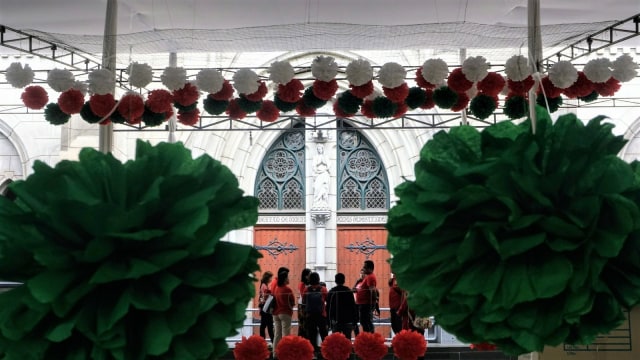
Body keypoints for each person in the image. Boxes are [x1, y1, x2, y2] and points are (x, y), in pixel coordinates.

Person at [302, 272, 329, 355]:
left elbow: (303, 301)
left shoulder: (306, 289)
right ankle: (325, 352)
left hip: (310, 315)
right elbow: (327, 300)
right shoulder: (323, 289)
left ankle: (313, 352)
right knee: (323, 334)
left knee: (312, 335)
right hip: (321, 315)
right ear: (318, 279)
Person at [327, 272, 357, 339]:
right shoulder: (348, 291)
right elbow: (353, 306)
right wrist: (354, 321)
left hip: (335, 321)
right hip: (347, 321)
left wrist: (328, 322)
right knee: (347, 341)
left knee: (336, 342)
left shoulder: (332, 292)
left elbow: (328, 307)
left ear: (335, 281)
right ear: (344, 280)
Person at [273, 269, 295, 352]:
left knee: (277, 334)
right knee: (286, 334)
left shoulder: (276, 288)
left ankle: (275, 353)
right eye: (288, 277)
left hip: (276, 313)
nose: (288, 278)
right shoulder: (287, 289)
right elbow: (292, 301)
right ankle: (285, 353)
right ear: (285, 279)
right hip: (285, 313)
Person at [355, 260, 377, 333]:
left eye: (365, 267)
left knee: (365, 321)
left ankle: (368, 337)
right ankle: (368, 336)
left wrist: (373, 303)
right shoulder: (368, 277)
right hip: (363, 304)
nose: (363, 268)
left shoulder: (370, 277)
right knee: (364, 321)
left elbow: (373, 291)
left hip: (366, 304)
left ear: (370, 268)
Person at [312, 143, 330, 209]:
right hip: (318, 174)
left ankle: (324, 202)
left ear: (323, 149)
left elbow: (329, 165)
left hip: (324, 173)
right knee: (317, 188)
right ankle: (317, 202)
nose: (319, 150)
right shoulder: (315, 157)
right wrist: (318, 163)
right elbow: (313, 166)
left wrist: (324, 162)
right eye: (318, 149)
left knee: (324, 188)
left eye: (320, 149)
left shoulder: (326, 157)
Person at [259, 271, 275, 344]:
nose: (271, 279)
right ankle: (273, 341)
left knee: (263, 325)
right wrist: (270, 293)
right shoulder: (264, 286)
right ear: (267, 278)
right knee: (269, 326)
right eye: (270, 277)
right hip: (266, 308)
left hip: (263, 308)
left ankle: (262, 342)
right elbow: (265, 296)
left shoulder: (262, 285)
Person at [297, 268, 311, 339]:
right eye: (309, 274)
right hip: (303, 306)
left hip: (304, 305)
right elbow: (303, 295)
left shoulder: (306, 284)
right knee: (303, 324)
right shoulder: (302, 284)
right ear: (306, 276)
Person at [351, 270, 365, 336]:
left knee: (364, 322)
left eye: (363, 273)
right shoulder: (358, 282)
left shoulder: (366, 282)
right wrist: (357, 282)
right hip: (356, 304)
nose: (362, 275)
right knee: (354, 322)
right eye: (361, 273)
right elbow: (353, 290)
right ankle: (358, 337)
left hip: (363, 304)